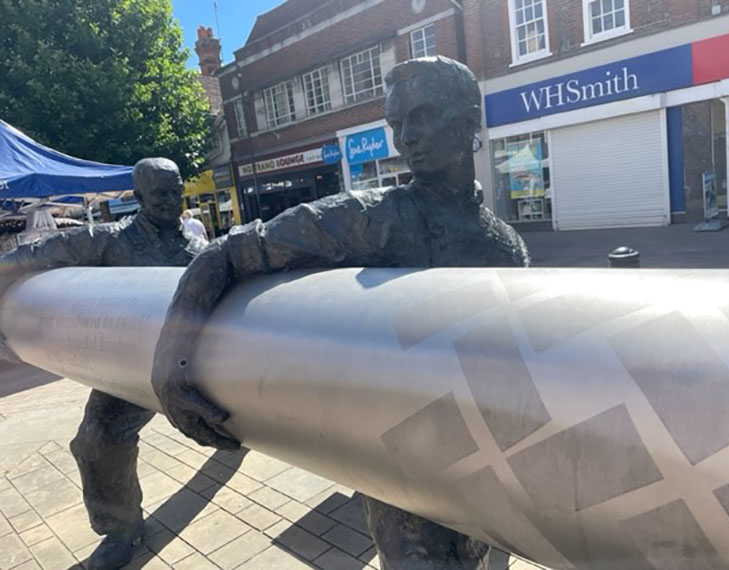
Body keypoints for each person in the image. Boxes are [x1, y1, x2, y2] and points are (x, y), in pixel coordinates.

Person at [151, 56, 530, 569]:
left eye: (421, 116)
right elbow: (231, 251)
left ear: (468, 120)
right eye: (397, 124)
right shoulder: (373, 218)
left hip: (486, 463)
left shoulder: (507, 247)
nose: (406, 138)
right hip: (404, 469)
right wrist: (172, 366)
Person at [0, 158, 206, 570]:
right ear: (139, 196)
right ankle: (122, 528)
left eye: (176, 190)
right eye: (160, 193)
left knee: (245, 421)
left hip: (195, 365)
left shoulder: (200, 252)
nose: (171, 201)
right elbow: (44, 250)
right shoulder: (111, 240)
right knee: (96, 438)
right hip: (132, 368)